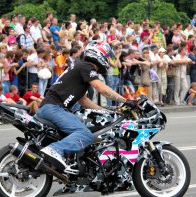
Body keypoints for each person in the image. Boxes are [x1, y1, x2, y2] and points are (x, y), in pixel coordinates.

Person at [35, 41, 136, 171]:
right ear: (99, 54)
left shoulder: (80, 67)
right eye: (107, 56)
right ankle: (55, 150)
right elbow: (101, 88)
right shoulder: (86, 66)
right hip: (53, 108)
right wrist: (125, 101)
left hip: (51, 108)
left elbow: (84, 101)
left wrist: (109, 112)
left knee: (86, 129)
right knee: (85, 134)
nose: (108, 60)